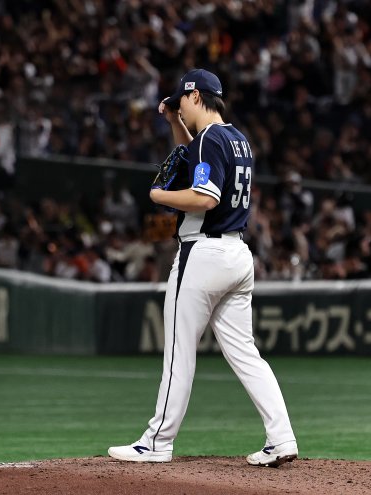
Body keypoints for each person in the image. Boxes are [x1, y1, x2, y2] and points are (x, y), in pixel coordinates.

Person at [107, 69, 298, 467]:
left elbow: (204, 197)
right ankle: (281, 437)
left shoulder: (211, 139)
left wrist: (159, 194)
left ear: (196, 97)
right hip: (238, 256)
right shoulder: (237, 139)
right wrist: (174, 122)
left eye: (182, 103)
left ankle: (157, 441)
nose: (181, 109)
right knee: (246, 353)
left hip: (203, 255)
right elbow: (197, 157)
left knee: (179, 350)